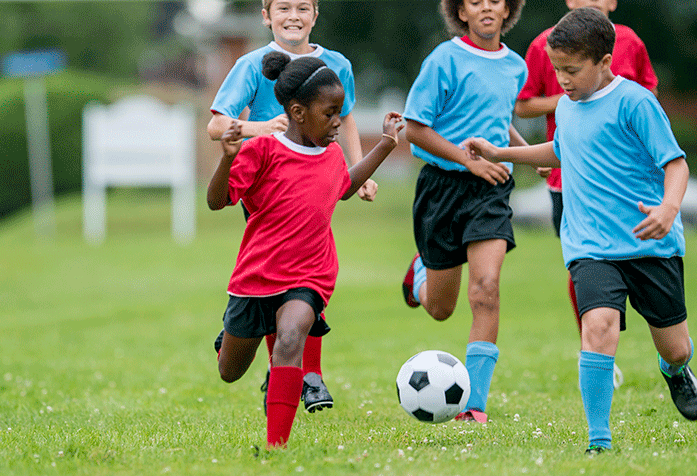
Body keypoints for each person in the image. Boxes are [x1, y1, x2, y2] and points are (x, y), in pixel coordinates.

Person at [463, 6, 697, 454]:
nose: (563, 81)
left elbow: (676, 163)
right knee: (597, 325)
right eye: (557, 71)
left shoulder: (636, 102)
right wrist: (501, 152)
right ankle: (599, 441)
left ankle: (674, 371)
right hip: (590, 244)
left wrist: (670, 208)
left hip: (650, 243)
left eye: (572, 70)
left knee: (675, 348)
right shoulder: (569, 106)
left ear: (605, 62)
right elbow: (560, 149)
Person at [208, 51, 403, 449]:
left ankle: (276, 447)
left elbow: (344, 187)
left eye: (340, 112)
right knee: (229, 372)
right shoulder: (261, 151)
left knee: (292, 333)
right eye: (330, 113)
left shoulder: (330, 154)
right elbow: (216, 200)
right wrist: (227, 161)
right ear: (298, 112)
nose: (338, 122)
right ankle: (229, 338)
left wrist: (384, 145)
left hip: (309, 275)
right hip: (256, 277)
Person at [208, 0, 374, 413]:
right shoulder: (251, 65)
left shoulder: (337, 64)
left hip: (319, 170)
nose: (293, 16)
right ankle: (270, 352)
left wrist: (360, 168)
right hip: (268, 179)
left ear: (316, 14)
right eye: (283, 7)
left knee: (307, 269)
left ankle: (306, 373)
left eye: (303, 7)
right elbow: (216, 125)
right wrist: (257, 127)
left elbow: (347, 118)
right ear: (266, 16)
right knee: (281, 273)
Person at [514, 0, 658, 390]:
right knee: (585, 263)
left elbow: (647, 104)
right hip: (569, 179)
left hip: (628, 186)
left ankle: (669, 345)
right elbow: (523, 104)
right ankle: (595, 349)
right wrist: (576, 97)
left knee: (642, 266)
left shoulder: (632, 42)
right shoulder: (546, 44)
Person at [400, 0, 527, 423]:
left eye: (495, 0)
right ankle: (419, 273)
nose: (487, 7)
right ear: (461, 11)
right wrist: (465, 158)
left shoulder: (516, 66)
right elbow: (415, 127)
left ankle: (473, 406)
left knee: (486, 289)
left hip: (490, 189)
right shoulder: (443, 60)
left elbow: (498, 117)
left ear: (509, 8)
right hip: (441, 187)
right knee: (440, 308)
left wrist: (525, 153)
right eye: (476, 1)